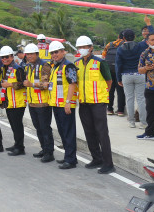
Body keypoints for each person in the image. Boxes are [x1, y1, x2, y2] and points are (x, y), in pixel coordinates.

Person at [74, 36, 115, 174]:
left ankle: (108, 163)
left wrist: (102, 96)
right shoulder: (77, 63)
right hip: (84, 103)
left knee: (102, 133)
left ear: (91, 48)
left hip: (98, 103)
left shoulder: (100, 63)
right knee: (89, 132)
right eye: (80, 47)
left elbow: (109, 81)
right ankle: (96, 158)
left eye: (85, 47)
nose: (82, 50)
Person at [117, 19, 154, 128]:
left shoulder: (120, 49)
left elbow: (118, 65)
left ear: (123, 38)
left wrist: (119, 78)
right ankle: (143, 122)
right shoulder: (140, 46)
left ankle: (132, 122)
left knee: (129, 99)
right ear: (134, 37)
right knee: (141, 99)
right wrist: (149, 24)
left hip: (126, 75)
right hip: (140, 75)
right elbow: (151, 35)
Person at [47, 41, 79, 169]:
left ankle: (70, 160)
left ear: (63, 52)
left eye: (56, 52)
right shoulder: (55, 66)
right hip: (56, 104)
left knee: (68, 132)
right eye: (52, 53)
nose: (54, 55)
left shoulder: (68, 66)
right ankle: (69, 156)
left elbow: (72, 84)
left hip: (65, 105)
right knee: (62, 131)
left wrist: (68, 102)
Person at [22, 43, 54, 163]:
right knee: (38, 128)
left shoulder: (44, 66)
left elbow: (46, 85)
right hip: (32, 102)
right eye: (27, 54)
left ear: (36, 54)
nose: (29, 56)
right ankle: (44, 149)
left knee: (45, 128)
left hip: (43, 103)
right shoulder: (28, 66)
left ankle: (49, 152)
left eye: (31, 54)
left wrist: (32, 84)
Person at [0, 46, 27, 156]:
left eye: (6, 57)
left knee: (17, 125)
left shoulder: (18, 68)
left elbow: (22, 83)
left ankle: (20, 147)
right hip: (10, 102)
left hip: (18, 102)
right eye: (2, 57)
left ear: (11, 56)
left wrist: (9, 84)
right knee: (13, 124)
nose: (4, 59)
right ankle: (17, 144)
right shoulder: (5, 68)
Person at [102, 32, 125, 116]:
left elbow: (103, 56)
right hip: (120, 70)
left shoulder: (109, 44)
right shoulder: (125, 45)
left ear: (118, 36)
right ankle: (120, 111)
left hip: (109, 69)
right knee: (120, 91)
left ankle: (109, 109)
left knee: (110, 90)